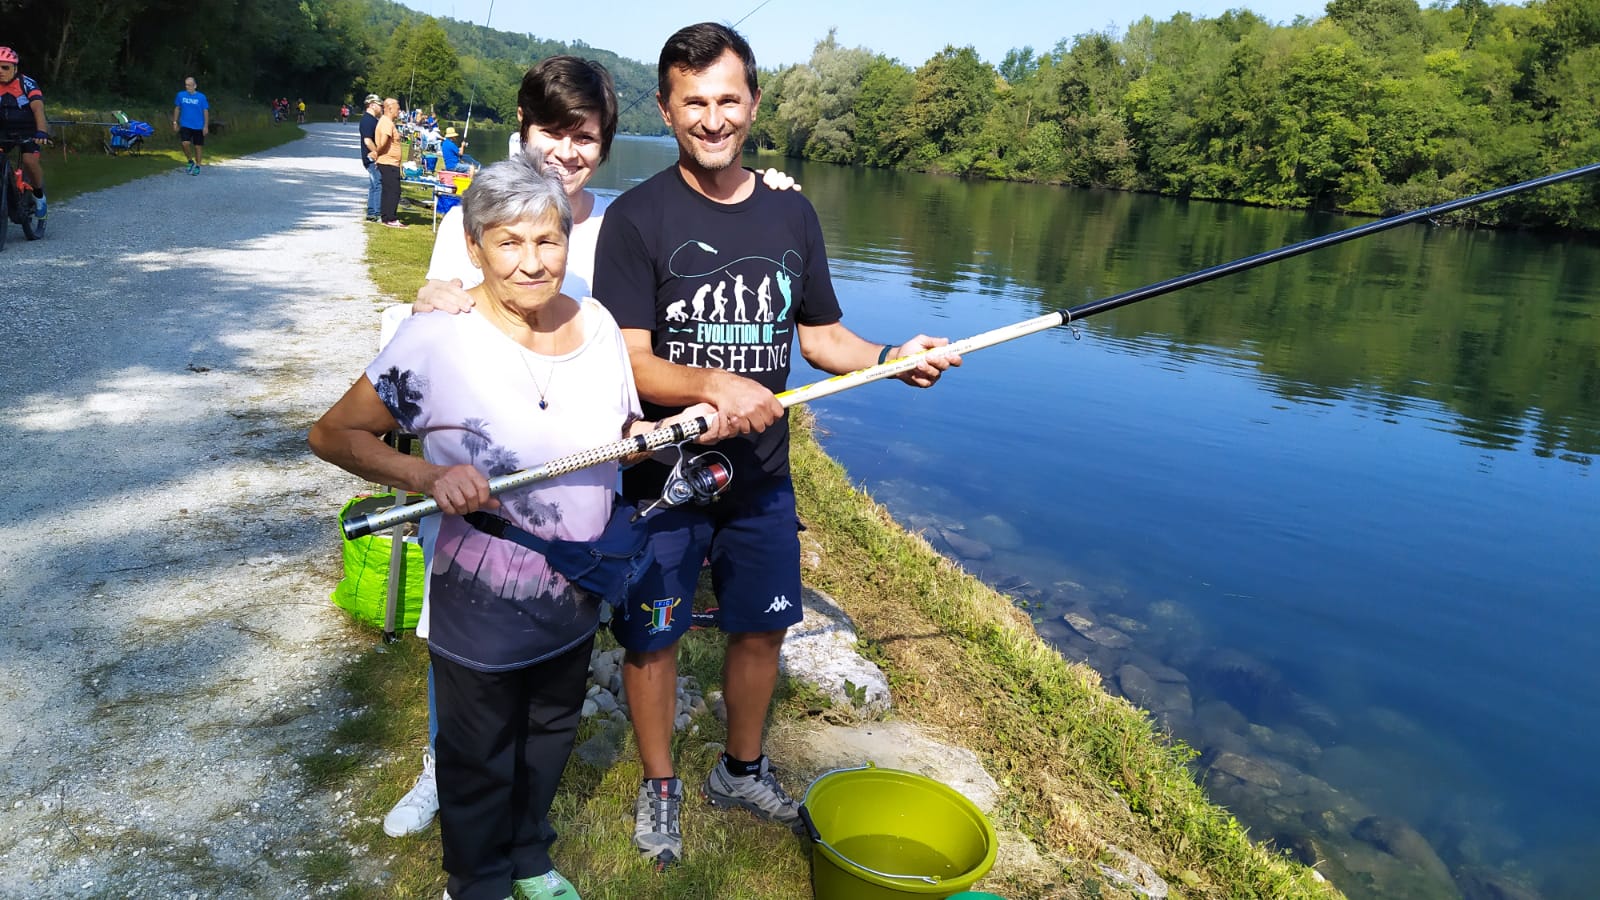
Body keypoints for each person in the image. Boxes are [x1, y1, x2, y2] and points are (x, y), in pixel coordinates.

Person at [592, 22, 960, 870]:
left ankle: (740, 769)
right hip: (663, 477)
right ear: (666, 107)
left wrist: (887, 359)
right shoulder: (637, 218)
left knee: (759, 632)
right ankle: (660, 784)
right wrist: (712, 384)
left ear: (754, 104)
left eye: (728, 100)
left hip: (762, 479)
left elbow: (822, 335)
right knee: (653, 635)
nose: (712, 119)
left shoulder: (792, 210)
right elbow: (630, 355)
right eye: (694, 102)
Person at [313, 157, 709, 900]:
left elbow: (618, 424)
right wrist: (426, 477)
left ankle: (529, 855)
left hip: (577, 586)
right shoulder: (437, 340)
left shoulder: (594, 324)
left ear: (569, 238)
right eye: (510, 243)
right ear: (474, 247)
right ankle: (476, 879)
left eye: (548, 241)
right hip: (481, 594)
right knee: (478, 749)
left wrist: (659, 432)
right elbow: (334, 435)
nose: (533, 263)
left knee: (552, 729)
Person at [0, 46, 49, 223]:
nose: (1, 72)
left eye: (5, 67)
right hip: (4, 128)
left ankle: (38, 195)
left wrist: (41, 132)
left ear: (15, 68)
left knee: (29, 161)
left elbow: (38, 109)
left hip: (28, 128)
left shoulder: (26, 84)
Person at [374, 97, 405, 228]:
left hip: (390, 162)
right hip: (388, 162)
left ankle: (386, 216)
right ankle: (390, 218)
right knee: (394, 191)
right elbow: (384, 141)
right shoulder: (387, 122)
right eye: (398, 109)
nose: (399, 111)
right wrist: (377, 153)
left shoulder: (386, 121)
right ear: (390, 108)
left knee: (388, 190)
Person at [172, 76, 209, 175]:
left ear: (195, 86)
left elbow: (205, 111)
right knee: (185, 143)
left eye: (189, 85)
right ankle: (190, 160)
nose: (187, 87)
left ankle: (198, 165)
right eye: (186, 85)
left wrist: (205, 126)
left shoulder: (201, 97)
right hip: (185, 124)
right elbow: (177, 108)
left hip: (198, 126)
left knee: (198, 147)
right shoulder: (181, 95)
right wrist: (175, 122)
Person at [358, 94, 383, 223]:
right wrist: (377, 154)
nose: (381, 108)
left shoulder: (372, 120)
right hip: (371, 158)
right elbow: (367, 141)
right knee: (378, 184)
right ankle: (377, 213)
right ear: (372, 105)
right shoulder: (368, 120)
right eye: (380, 105)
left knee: (374, 185)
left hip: (371, 157)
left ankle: (372, 212)